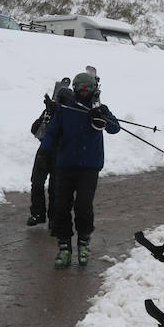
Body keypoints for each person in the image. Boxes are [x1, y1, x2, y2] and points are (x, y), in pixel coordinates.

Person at [39, 71, 119, 268]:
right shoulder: (65, 107)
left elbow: (115, 128)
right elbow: (52, 132)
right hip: (65, 165)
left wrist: (102, 117)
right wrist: (44, 150)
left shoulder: (100, 108)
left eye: (88, 87)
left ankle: (84, 242)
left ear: (94, 89)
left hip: (89, 167)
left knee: (83, 206)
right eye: (81, 87)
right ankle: (64, 247)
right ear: (74, 88)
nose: (85, 91)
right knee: (60, 207)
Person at [26, 77, 72, 228]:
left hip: (61, 153)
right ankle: (37, 214)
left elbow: (68, 134)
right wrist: (47, 113)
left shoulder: (70, 114)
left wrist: (55, 114)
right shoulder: (50, 110)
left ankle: (54, 217)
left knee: (55, 187)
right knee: (37, 183)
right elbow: (35, 129)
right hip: (44, 151)